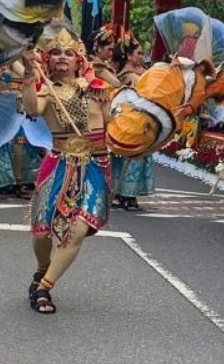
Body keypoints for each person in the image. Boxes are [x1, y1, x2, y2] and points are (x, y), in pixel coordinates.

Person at [22, 24, 111, 315]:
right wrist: (26, 74)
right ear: (47, 60)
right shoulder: (48, 90)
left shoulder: (98, 90)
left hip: (92, 166)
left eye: (69, 53)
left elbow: (114, 127)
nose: (62, 57)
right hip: (59, 164)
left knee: (77, 228)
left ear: (79, 59)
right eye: (56, 52)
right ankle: (42, 268)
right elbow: (33, 109)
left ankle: (45, 287)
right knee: (41, 233)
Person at [111, 33, 155, 211]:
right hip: (130, 120)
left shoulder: (140, 73)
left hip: (139, 118)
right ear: (129, 56)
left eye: (142, 53)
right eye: (138, 53)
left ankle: (129, 194)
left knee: (136, 157)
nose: (141, 56)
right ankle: (123, 193)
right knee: (130, 157)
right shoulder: (128, 75)